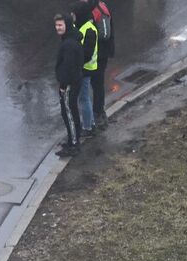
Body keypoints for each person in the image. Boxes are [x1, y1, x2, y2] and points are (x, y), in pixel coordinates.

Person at [54, 11, 85, 156]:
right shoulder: (71, 39)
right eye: (56, 25)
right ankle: (72, 139)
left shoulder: (69, 45)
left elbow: (68, 66)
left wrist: (63, 84)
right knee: (70, 112)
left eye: (60, 25)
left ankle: (74, 143)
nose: (58, 28)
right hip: (73, 81)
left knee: (69, 113)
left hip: (69, 84)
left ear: (66, 25)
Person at [73, 3, 100, 135]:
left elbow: (87, 54)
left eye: (74, 14)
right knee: (84, 97)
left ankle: (88, 127)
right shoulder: (79, 26)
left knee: (84, 98)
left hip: (85, 69)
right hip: (81, 68)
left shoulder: (89, 29)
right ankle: (91, 123)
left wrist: (75, 62)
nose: (72, 16)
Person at [89, 1, 115, 126]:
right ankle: (97, 113)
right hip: (94, 54)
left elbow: (105, 34)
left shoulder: (100, 9)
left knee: (97, 83)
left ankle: (99, 113)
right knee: (94, 83)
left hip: (100, 54)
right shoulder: (91, 7)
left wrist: (88, 38)